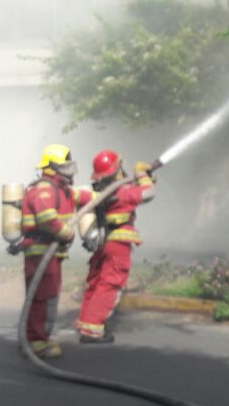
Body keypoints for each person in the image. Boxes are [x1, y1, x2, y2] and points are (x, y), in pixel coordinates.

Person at [75, 149, 155, 343]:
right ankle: (93, 329)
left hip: (103, 242)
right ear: (117, 169)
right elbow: (148, 194)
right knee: (111, 283)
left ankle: (86, 322)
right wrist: (142, 175)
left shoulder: (101, 191)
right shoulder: (120, 191)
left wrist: (143, 179)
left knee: (95, 282)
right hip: (118, 243)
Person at [21, 144, 93, 358]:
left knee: (44, 296)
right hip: (41, 252)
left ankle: (32, 338)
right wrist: (67, 234)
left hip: (50, 254)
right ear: (52, 167)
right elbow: (46, 219)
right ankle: (37, 342)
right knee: (43, 298)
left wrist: (114, 189)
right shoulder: (44, 190)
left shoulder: (62, 189)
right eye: (66, 165)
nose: (70, 170)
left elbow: (88, 197)